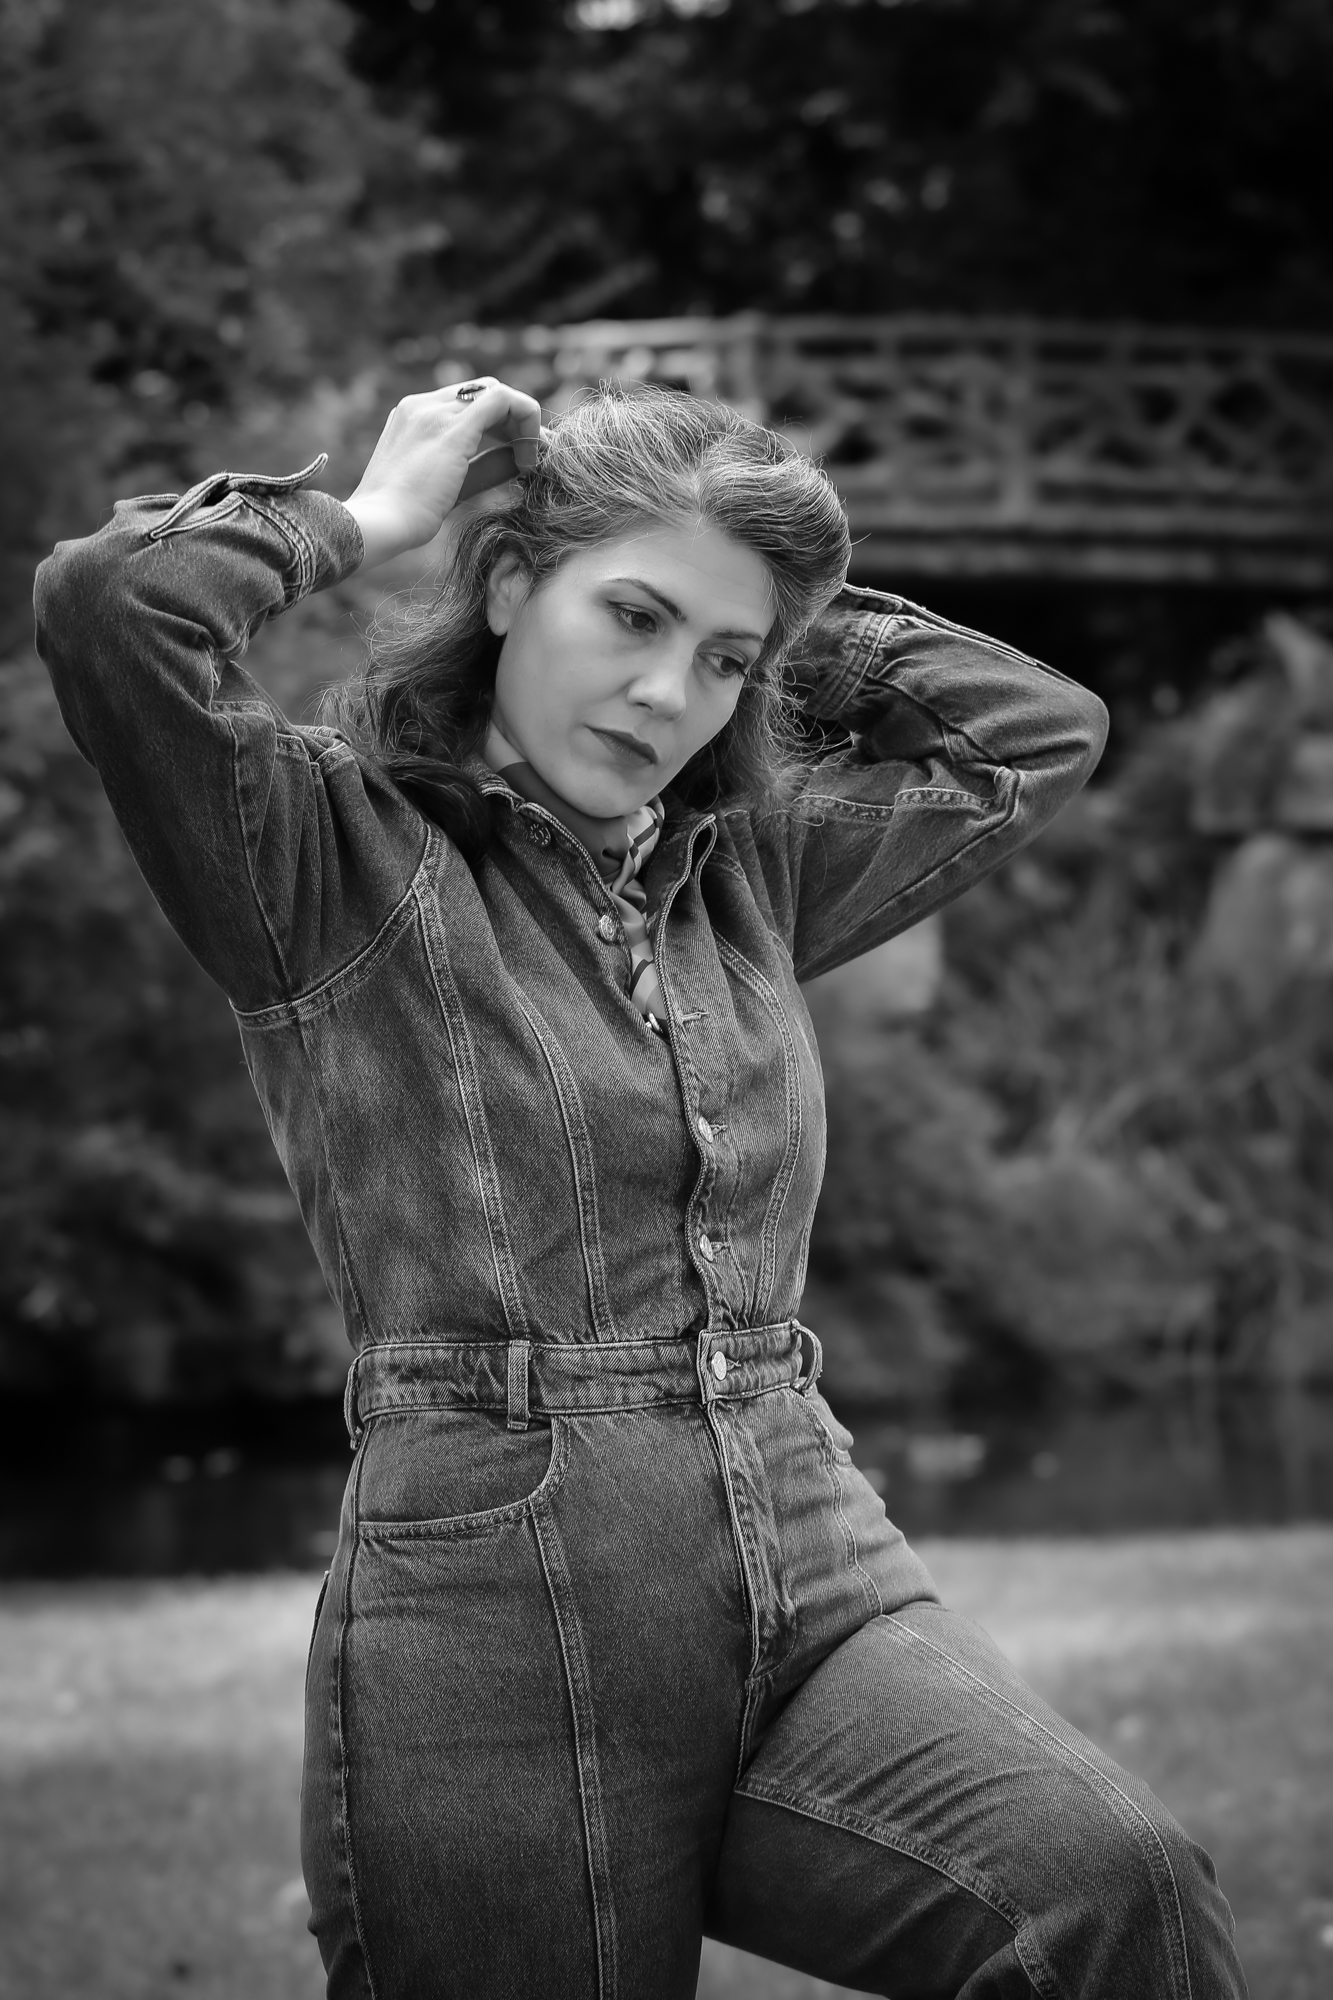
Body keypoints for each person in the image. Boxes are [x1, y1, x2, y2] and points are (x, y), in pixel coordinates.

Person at [34, 378, 1246, 2000]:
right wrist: (380, 517)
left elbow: (1029, 734)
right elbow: (110, 608)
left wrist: (768, 599)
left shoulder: (747, 868)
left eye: (723, 660)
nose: (669, 692)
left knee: (1111, 1895)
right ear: (506, 581)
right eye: (630, 614)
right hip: (496, 1611)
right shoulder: (323, 854)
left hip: (805, 1546)